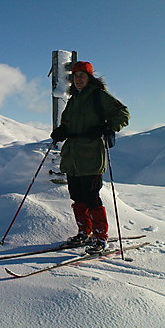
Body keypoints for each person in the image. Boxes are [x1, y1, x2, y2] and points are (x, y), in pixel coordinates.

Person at [51, 61, 130, 253]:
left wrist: (108, 128)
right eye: (76, 76)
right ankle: (84, 233)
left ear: (90, 78)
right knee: (77, 196)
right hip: (72, 155)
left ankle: (100, 236)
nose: (78, 79)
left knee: (92, 197)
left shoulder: (98, 96)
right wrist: (62, 131)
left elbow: (123, 113)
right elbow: (69, 123)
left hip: (91, 155)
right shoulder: (73, 100)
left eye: (82, 76)